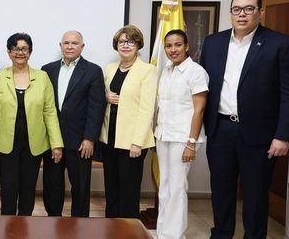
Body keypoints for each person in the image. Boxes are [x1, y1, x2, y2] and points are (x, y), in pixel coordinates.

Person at [199, 0, 289, 239]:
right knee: (221, 192)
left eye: (249, 9)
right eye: (237, 9)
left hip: (260, 135)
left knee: (255, 195)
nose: (242, 14)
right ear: (231, 12)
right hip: (220, 130)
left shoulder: (280, 44)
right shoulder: (213, 42)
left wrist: (284, 135)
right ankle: (221, 235)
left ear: (260, 12)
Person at [0, 32, 64, 216]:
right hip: (7, 144)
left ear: (30, 52)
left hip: (34, 144)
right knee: (9, 187)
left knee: (28, 189)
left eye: (24, 49)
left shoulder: (42, 77)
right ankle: (8, 226)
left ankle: (25, 226)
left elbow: (50, 112)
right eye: (16, 49)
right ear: (9, 52)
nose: (20, 52)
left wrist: (56, 144)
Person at [41, 30, 106, 217]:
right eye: (66, 43)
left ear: (82, 46)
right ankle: (53, 221)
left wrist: (89, 138)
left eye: (75, 43)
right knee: (52, 185)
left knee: (80, 187)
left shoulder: (93, 71)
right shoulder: (48, 69)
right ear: (60, 46)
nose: (70, 46)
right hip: (53, 140)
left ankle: (79, 226)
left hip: (80, 142)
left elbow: (96, 107)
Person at [154, 30, 208, 239]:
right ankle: (162, 233)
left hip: (183, 138)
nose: (172, 49)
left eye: (177, 45)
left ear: (186, 46)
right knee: (165, 185)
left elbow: (199, 110)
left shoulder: (196, 72)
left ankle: (174, 236)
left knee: (177, 188)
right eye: (168, 46)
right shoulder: (166, 70)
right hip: (164, 135)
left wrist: (191, 142)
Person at [99, 25, 157, 219]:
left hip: (132, 141)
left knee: (129, 191)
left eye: (131, 42)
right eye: (122, 42)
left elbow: (147, 109)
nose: (126, 45)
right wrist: (106, 97)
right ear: (116, 45)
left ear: (138, 45)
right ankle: (110, 227)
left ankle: (128, 230)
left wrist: (137, 143)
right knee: (111, 188)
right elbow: (105, 96)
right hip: (110, 138)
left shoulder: (147, 70)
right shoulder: (110, 68)